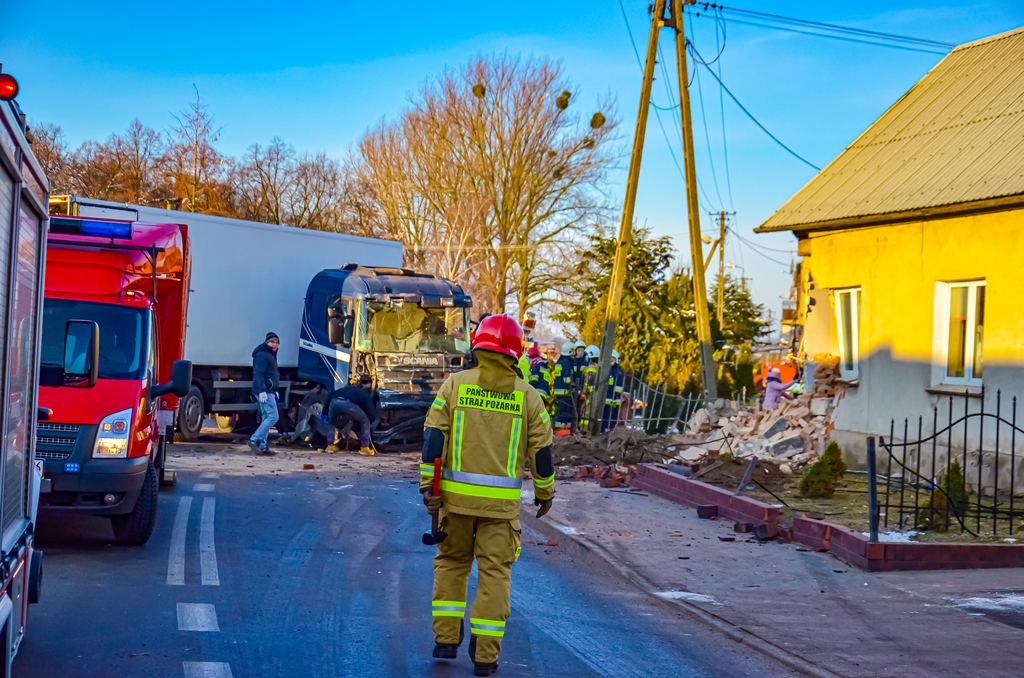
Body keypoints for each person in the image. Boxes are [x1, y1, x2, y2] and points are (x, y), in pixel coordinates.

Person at [421, 314, 555, 676]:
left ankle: (445, 639)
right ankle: (485, 656)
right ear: (515, 353)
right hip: (500, 511)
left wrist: (428, 489)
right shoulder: (529, 398)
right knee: (495, 575)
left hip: (454, 505)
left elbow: (434, 440)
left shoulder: (455, 385)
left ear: (477, 346)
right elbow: (542, 453)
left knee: (451, 565)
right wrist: (545, 493)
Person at [325, 376, 378, 455]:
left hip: (334, 402)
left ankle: (330, 446)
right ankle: (365, 447)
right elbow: (370, 408)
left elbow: (330, 395)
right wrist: (374, 419)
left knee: (330, 422)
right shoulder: (364, 393)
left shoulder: (347, 388)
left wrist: (324, 413)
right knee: (365, 421)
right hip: (346, 404)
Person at [248, 332, 281, 455]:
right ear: (267, 342)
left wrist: (275, 390)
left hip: (269, 390)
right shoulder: (262, 355)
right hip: (265, 391)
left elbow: (270, 374)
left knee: (266, 417)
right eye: (272, 342)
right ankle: (253, 440)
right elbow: (258, 373)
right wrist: (262, 391)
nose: (275, 344)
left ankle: (263, 446)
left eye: (277, 342)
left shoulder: (270, 355)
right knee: (273, 417)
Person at [552, 342, 576, 434]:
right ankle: (561, 430)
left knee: (561, 410)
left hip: (558, 390)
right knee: (564, 411)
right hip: (564, 391)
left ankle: (559, 429)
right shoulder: (566, 362)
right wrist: (573, 384)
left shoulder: (560, 361)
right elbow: (567, 379)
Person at [602, 350, 625, 431]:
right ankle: (604, 430)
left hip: (613, 399)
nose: (610, 362)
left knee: (611, 417)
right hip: (606, 398)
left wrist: (616, 396)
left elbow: (618, 386)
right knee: (604, 417)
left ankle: (610, 431)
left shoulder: (618, 371)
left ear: (616, 360)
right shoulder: (608, 370)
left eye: (612, 360)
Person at [580, 345, 600, 430]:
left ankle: (584, 430)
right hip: (594, 393)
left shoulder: (591, 367)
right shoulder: (597, 366)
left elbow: (588, 382)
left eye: (587, 355)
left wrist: (584, 392)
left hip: (590, 394)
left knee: (586, 412)